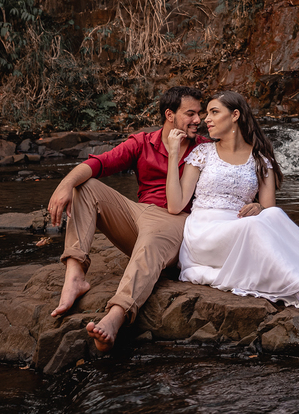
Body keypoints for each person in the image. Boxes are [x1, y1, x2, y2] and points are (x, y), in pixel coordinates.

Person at [163, 90, 299, 318]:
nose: (205, 119)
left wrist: (260, 207)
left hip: (240, 228)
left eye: (214, 112)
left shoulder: (260, 159)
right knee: (255, 226)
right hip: (205, 233)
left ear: (235, 115)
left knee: (274, 214)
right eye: (206, 113)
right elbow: (175, 206)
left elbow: (269, 212)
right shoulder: (202, 153)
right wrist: (173, 153)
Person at [46, 85, 207, 350]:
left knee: (153, 237)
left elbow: (233, 177)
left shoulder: (203, 148)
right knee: (85, 186)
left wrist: (257, 205)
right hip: (137, 215)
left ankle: (116, 315)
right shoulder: (142, 143)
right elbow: (99, 163)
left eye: (199, 113)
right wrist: (64, 185)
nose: (198, 120)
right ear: (170, 115)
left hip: (176, 220)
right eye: (190, 114)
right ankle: (75, 275)